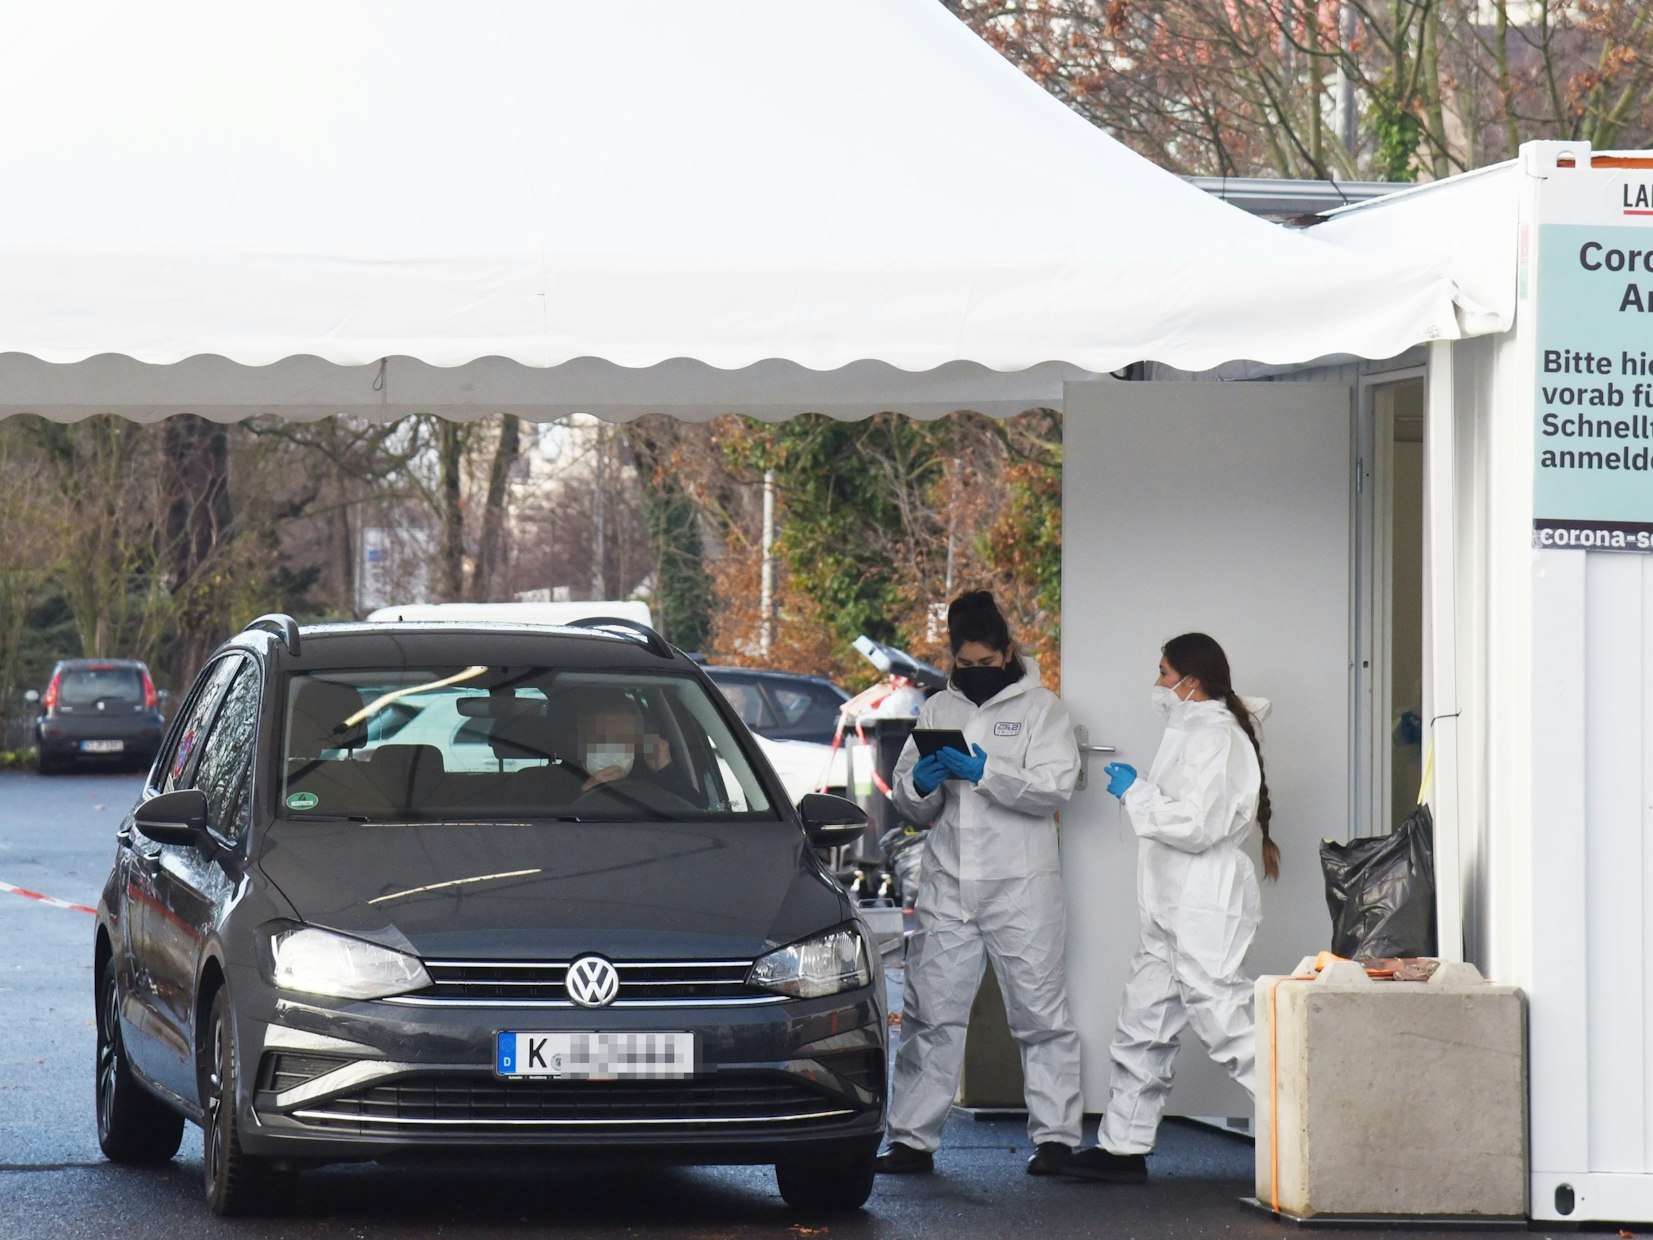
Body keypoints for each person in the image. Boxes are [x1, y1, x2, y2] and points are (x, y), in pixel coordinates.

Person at [876, 590, 1084, 1178]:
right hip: (949, 881)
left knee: (1040, 1014)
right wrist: (920, 781)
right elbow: (911, 806)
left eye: (985, 665)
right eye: (963, 666)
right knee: (931, 1012)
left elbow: (1053, 789)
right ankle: (912, 1140)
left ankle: (1057, 1139)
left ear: (1007, 653)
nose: (974, 676)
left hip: (1022, 884)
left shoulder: (1043, 710)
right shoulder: (939, 710)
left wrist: (985, 772)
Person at [1063, 632, 1277, 1184]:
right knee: (1143, 1022)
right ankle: (1122, 1149)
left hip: (1205, 900)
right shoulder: (1190, 728)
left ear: (1192, 680)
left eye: (1163, 672)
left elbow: (1199, 825)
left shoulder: (1218, 737)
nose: (1157, 685)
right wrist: (1142, 792)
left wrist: (1136, 792)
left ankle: (1318, 1129)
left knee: (1226, 1021)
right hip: (1170, 902)